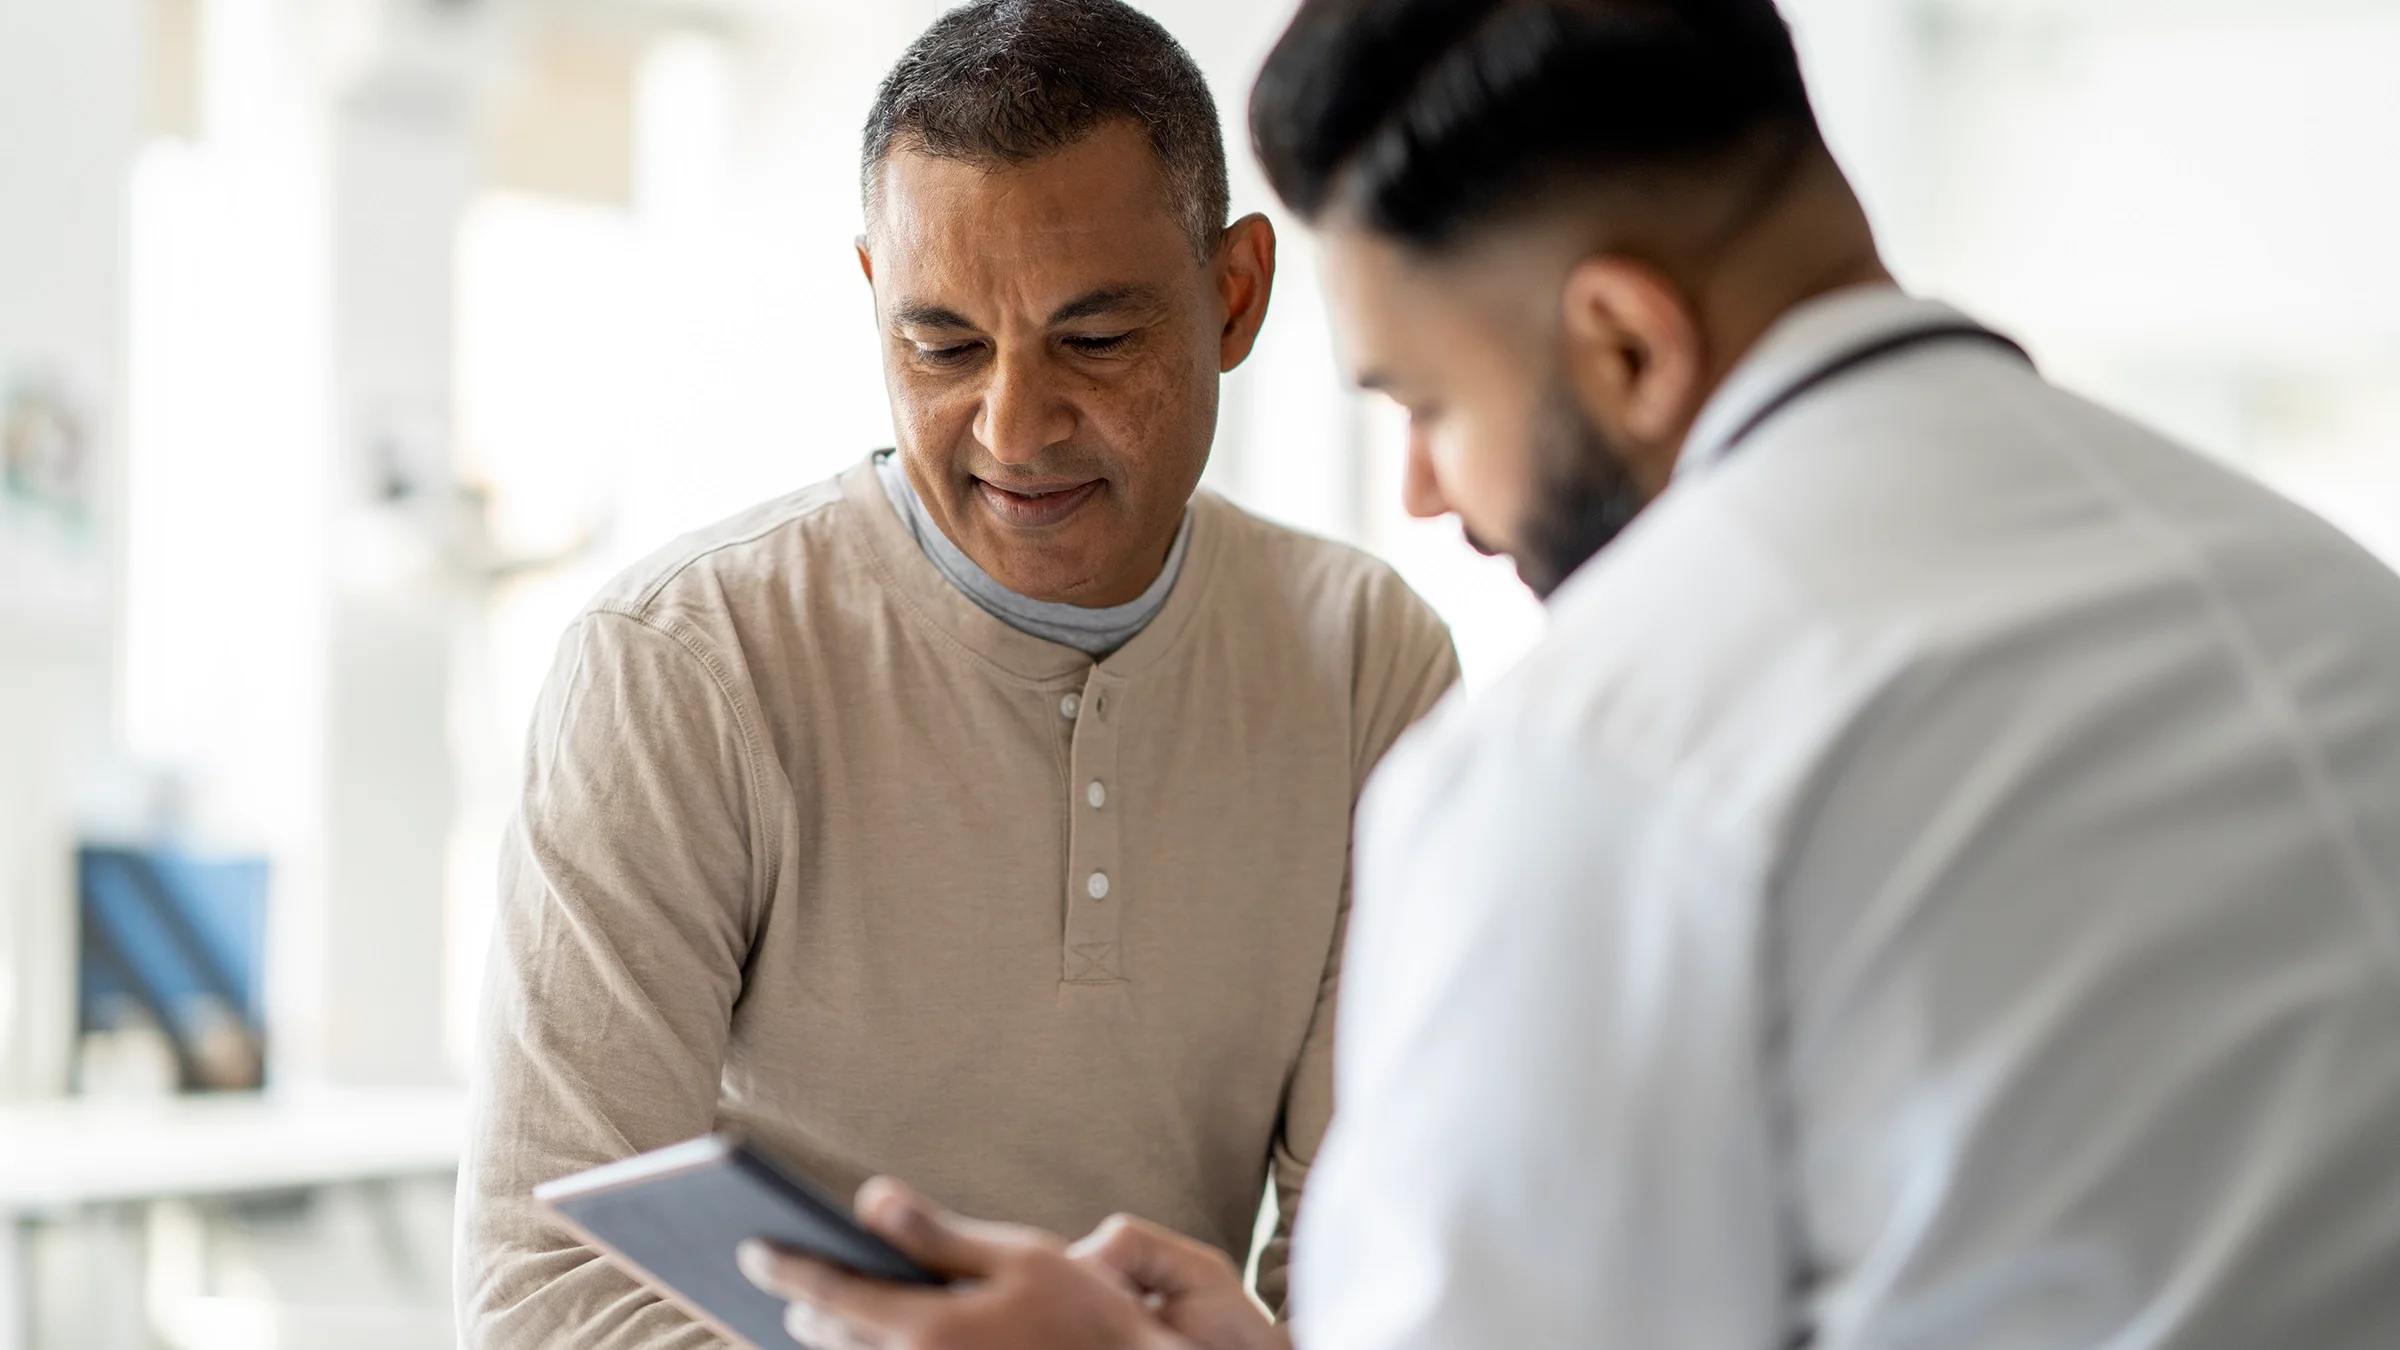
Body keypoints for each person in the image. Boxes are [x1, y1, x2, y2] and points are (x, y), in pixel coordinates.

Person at [740, 1, 2400, 1347]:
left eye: (1428, 405)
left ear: (1624, 344)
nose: (1424, 496)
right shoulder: (2326, 597)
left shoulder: (1598, 754)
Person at [453, 1, 1460, 1342]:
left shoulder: (1365, 664)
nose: (1014, 426)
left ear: (1235, 295)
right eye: (943, 347)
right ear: (874, 299)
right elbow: (544, 1294)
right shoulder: (681, 667)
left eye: (1094, 342)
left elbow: (1378, 1262)